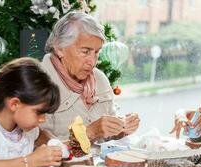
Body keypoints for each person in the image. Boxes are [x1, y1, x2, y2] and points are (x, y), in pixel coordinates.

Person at [41, 11, 140, 141]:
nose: (93, 62)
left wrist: (121, 128)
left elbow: (108, 136)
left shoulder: (100, 79)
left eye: (97, 52)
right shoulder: (38, 84)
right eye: (85, 51)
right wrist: (89, 132)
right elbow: (39, 147)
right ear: (59, 48)